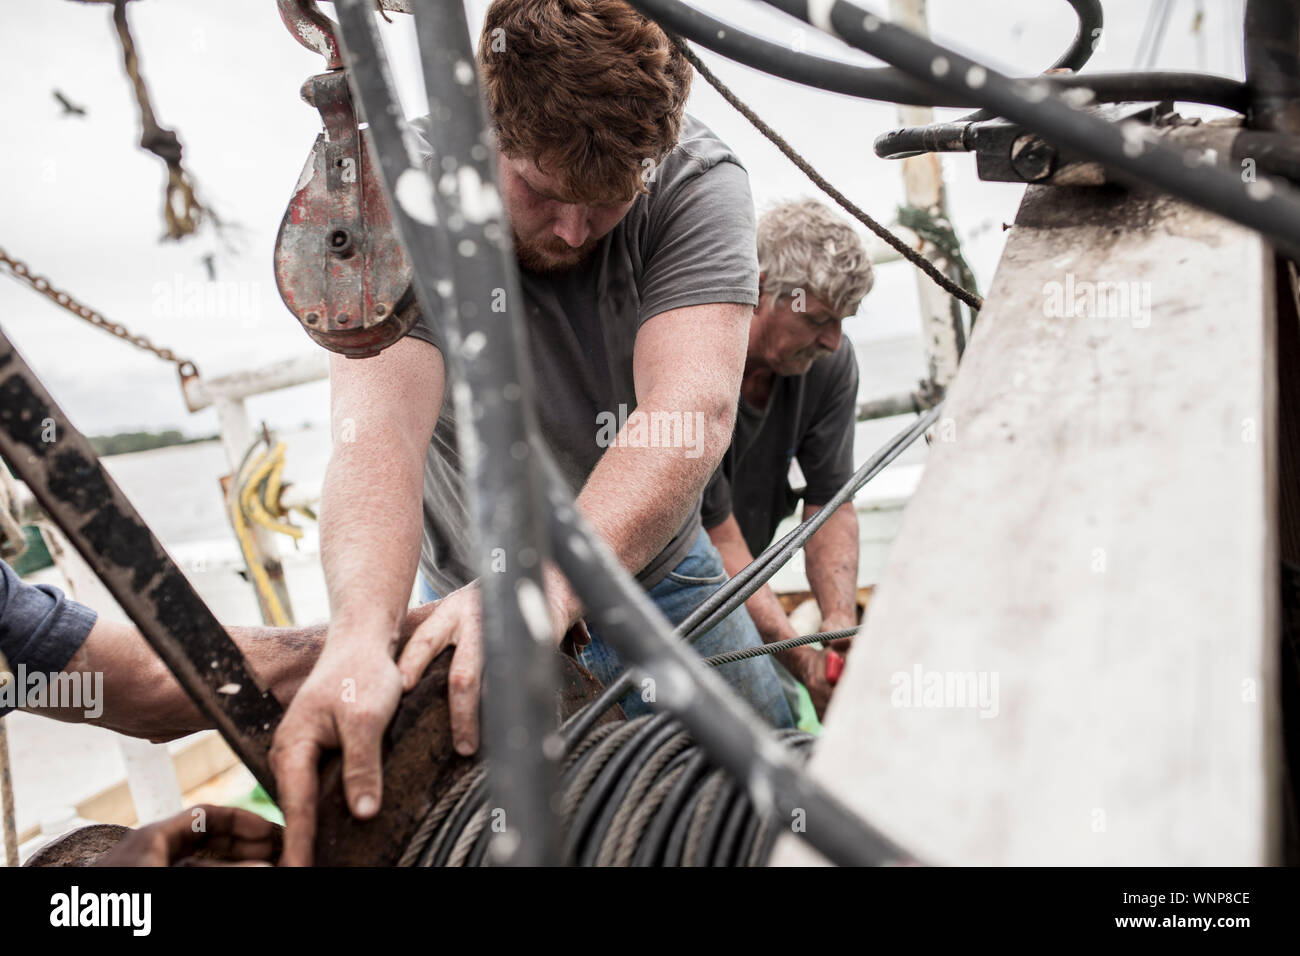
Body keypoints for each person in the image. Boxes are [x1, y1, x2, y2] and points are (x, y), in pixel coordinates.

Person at [270, 0, 795, 866]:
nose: (573, 230)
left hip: (661, 569)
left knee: (767, 812)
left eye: (606, 202)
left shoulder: (698, 180)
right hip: (467, 600)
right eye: (545, 193)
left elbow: (688, 414)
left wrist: (553, 588)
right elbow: (378, 437)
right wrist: (362, 632)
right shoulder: (406, 190)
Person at [702, 199, 875, 720]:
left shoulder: (830, 365)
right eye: (819, 318)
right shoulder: (699, 361)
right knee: (768, 722)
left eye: (842, 321)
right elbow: (715, 536)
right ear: (757, 290)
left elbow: (830, 504)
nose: (833, 340)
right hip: (671, 580)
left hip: (737, 579)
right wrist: (800, 659)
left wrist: (837, 623)